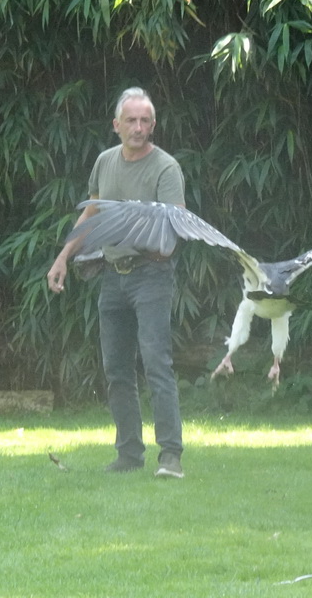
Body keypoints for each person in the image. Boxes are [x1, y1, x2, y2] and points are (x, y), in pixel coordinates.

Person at [47, 87, 186, 479]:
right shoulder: (105, 162)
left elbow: (176, 226)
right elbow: (92, 212)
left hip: (152, 276)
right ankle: (128, 454)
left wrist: (134, 235)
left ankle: (170, 456)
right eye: (131, 120)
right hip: (112, 278)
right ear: (116, 125)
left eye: (145, 121)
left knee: (157, 364)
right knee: (117, 369)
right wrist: (63, 257)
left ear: (154, 126)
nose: (138, 128)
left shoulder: (166, 168)